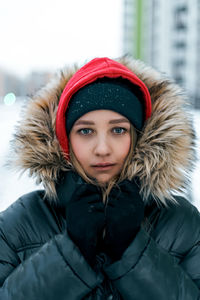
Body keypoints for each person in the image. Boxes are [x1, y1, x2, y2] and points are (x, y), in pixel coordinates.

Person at [0, 56, 199, 300]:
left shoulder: (184, 224)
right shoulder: (17, 225)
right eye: (85, 131)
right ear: (64, 140)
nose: (102, 148)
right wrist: (70, 252)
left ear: (140, 136)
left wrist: (134, 251)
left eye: (118, 130)